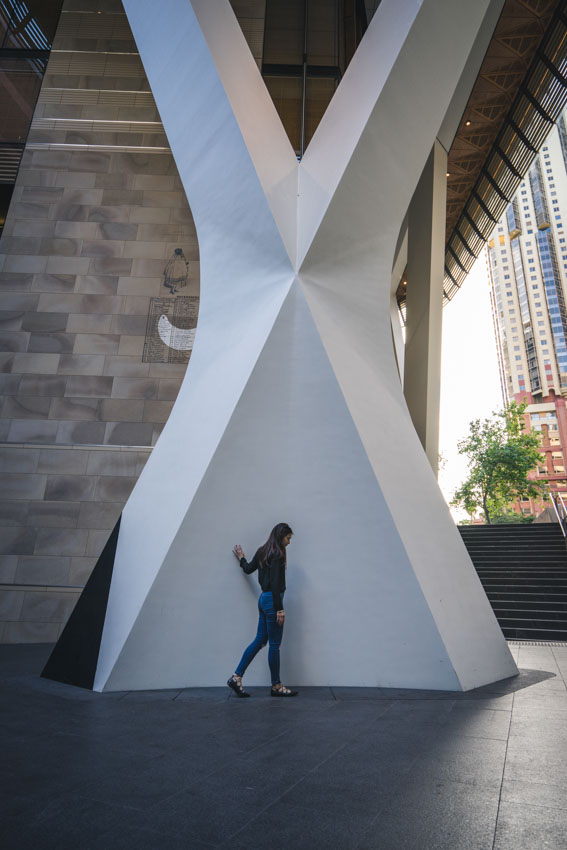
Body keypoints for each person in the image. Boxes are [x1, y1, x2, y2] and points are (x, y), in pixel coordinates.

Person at [227, 523, 298, 698]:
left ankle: (236, 677)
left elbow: (248, 568)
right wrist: (279, 609)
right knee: (274, 645)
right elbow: (275, 582)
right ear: (281, 536)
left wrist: (242, 558)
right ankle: (276, 685)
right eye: (288, 538)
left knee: (260, 640)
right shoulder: (277, 554)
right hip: (273, 602)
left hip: (263, 600)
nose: (289, 542)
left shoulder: (262, 551)